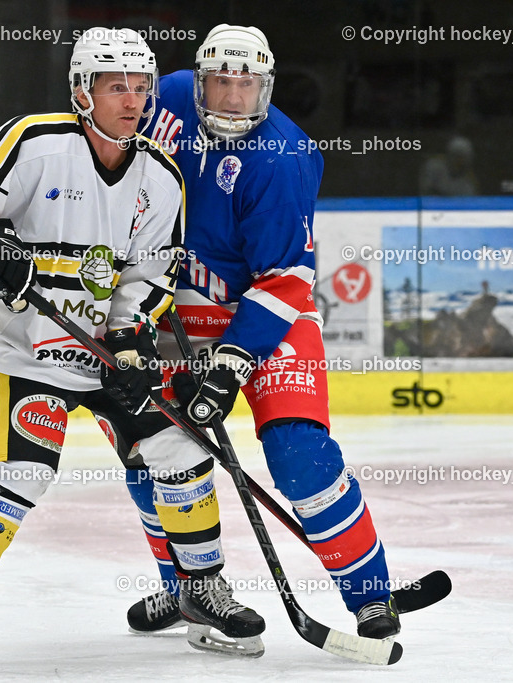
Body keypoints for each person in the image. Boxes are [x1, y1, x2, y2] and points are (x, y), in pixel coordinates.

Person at [0, 27, 261, 674]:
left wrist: (130, 342)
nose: (133, 99)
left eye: (142, 86)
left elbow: (148, 278)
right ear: (81, 92)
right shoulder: (35, 144)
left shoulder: (160, 175)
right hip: (24, 350)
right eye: (115, 85)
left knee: (179, 445)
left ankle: (199, 588)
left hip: (98, 348)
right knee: (22, 472)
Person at [116, 24, 402, 645]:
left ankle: (370, 595)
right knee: (152, 450)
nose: (235, 95)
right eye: (222, 79)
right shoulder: (163, 99)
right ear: (198, 79)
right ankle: (189, 588)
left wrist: (232, 363)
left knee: (299, 455)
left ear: (267, 85)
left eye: (248, 82)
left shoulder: (283, 158)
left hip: (267, 311)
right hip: (172, 312)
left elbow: (286, 277)